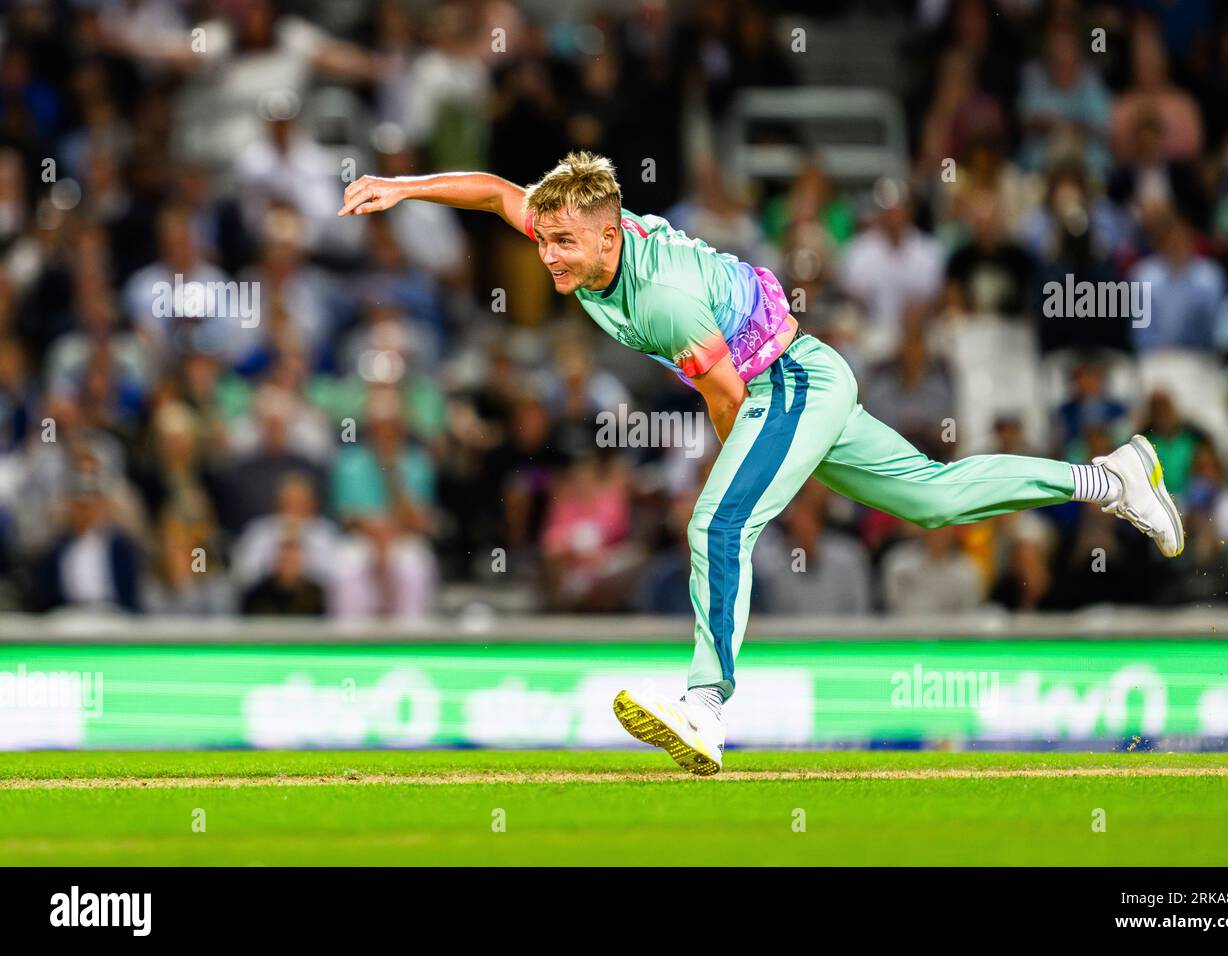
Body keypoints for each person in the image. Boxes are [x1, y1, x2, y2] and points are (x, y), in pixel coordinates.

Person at [337, 151, 1185, 775]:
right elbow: (491, 192)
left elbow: (728, 405)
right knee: (931, 500)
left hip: (787, 381)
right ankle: (1110, 477)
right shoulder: (579, 234)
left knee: (718, 520)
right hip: (804, 375)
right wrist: (399, 188)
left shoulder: (664, 300)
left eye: (563, 243)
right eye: (545, 240)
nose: (549, 256)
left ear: (606, 234)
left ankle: (705, 705)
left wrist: (754, 479)